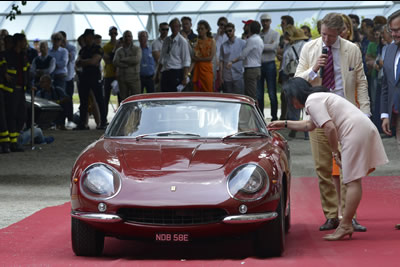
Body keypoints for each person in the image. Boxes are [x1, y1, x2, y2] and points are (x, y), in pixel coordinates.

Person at [268, 77, 388, 240]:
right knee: (353, 179)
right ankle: (346, 223)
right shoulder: (316, 99)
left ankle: (345, 224)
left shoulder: (312, 102)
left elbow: (329, 127)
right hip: (360, 129)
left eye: (289, 97)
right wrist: (284, 123)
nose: (290, 101)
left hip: (354, 133)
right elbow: (309, 126)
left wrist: (334, 152)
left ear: (295, 95)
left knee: (352, 180)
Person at [294, 12, 370, 232]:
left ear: (341, 32)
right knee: (323, 167)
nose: (326, 39)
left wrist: (364, 113)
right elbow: (297, 81)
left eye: (331, 36)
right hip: (317, 114)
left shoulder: (352, 49)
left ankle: (349, 216)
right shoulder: (309, 48)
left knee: (350, 169)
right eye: (323, 34)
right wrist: (313, 69)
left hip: (346, 116)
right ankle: (330, 215)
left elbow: (361, 82)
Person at [380, 10, 400, 230]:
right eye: (392, 30)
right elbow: (386, 84)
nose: (394, 34)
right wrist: (385, 114)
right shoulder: (389, 49)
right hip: (397, 115)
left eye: (398, 30)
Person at [1, 34, 30, 152]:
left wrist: (29, 84)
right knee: (11, 116)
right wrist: (5, 75)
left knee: (22, 115)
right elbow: (3, 70)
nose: (25, 43)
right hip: (10, 91)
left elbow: (26, 72)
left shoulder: (23, 56)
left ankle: (14, 139)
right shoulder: (7, 55)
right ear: (18, 42)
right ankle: (12, 143)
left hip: (21, 90)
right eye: (23, 41)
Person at [280, 25, 309, 140]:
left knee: (294, 105)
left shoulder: (289, 50)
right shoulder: (308, 46)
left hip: (293, 78)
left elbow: (284, 68)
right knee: (307, 105)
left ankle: (294, 128)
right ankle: (307, 132)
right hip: (306, 78)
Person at [75, 29, 107, 130]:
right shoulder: (83, 50)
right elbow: (77, 62)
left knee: (99, 99)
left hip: (94, 77)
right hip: (84, 77)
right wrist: (88, 61)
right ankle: (82, 123)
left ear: (92, 38)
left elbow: (94, 61)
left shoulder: (98, 49)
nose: (86, 39)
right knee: (83, 101)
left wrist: (84, 62)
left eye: (88, 37)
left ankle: (103, 122)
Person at [228, 21, 263, 102]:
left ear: (250, 28)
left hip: (250, 69)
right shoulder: (259, 39)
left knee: (250, 95)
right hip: (257, 68)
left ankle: (252, 113)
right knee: (254, 93)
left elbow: (243, 55)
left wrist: (232, 61)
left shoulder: (251, 40)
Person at [156, 18, 191, 92]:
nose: (174, 28)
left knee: (174, 96)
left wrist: (185, 77)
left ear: (179, 27)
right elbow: (162, 58)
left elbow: (186, 61)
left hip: (176, 72)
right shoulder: (166, 40)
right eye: (172, 26)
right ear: (170, 27)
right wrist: (157, 73)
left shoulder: (182, 41)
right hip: (165, 72)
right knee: (164, 94)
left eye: (176, 26)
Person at [258, 13, 280, 119]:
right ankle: (261, 116)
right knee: (259, 94)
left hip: (270, 63)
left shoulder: (275, 33)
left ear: (270, 22)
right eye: (263, 21)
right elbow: (261, 47)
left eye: (267, 21)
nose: (265, 23)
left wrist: (263, 46)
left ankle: (274, 116)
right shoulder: (258, 34)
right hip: (260, 64)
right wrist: (268, 45)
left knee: (272, 92)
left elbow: (273, 47)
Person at [113, 30, 142, 101]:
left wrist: (123, 59)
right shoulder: (119, 51)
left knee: (136, 99)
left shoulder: (137, 49)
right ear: (123, 38)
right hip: (122, 79)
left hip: (134, 79)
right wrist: (128, 63)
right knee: (124, 100)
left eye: (129, 36)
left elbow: (136, 60)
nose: (127, 38)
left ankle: (136, 113)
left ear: (132, 38)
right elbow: (115, 62)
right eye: (125, 36)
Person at [219, 22, 245, 94]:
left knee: (239, 98)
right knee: (229, 98)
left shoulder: (242, 42)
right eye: (226, 32)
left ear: (234, 30)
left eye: (230, 30)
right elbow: (221, 61)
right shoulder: (223, 45)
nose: (228, 33)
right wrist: (220, 77)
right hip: (227, 76)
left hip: (239, 74)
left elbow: (245, 56)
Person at [191, 20, 216, 92]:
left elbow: (210, 58)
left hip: (207, 69)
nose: (200, 30)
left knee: (208, 89)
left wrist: (197, 59)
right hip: (198, 69)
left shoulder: (211, 41)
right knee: (197, 91)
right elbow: (194, 59)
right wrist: (188, 73)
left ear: (207, 29)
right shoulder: (196, 41)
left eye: (202, 29)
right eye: (198, 29)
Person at [59, 31, 76, 128]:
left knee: (69, 99)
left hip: (69, 77)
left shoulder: (71, 48)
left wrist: (63, 49)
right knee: (60, 99)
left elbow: (70, 58)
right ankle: (60, 120)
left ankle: (70, 119)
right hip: (61, 78)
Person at [102, 26, 118, 116]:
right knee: (106, 98)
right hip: (108, 74)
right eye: (111, 33)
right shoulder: (106, 46)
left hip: (118, 74)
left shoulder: (120, 44)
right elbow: (107, 60)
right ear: (109, 34)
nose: (113, 35)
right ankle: (104, 118)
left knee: (121, 97)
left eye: (115, 33)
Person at [152, 22, 169, 92]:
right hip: (160, 73)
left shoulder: (172, 41)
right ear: (159, 30)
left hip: (170, 72)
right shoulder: (155, 43)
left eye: (167, 29)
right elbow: (158, 59)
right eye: (163, 29)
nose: (165, 31)